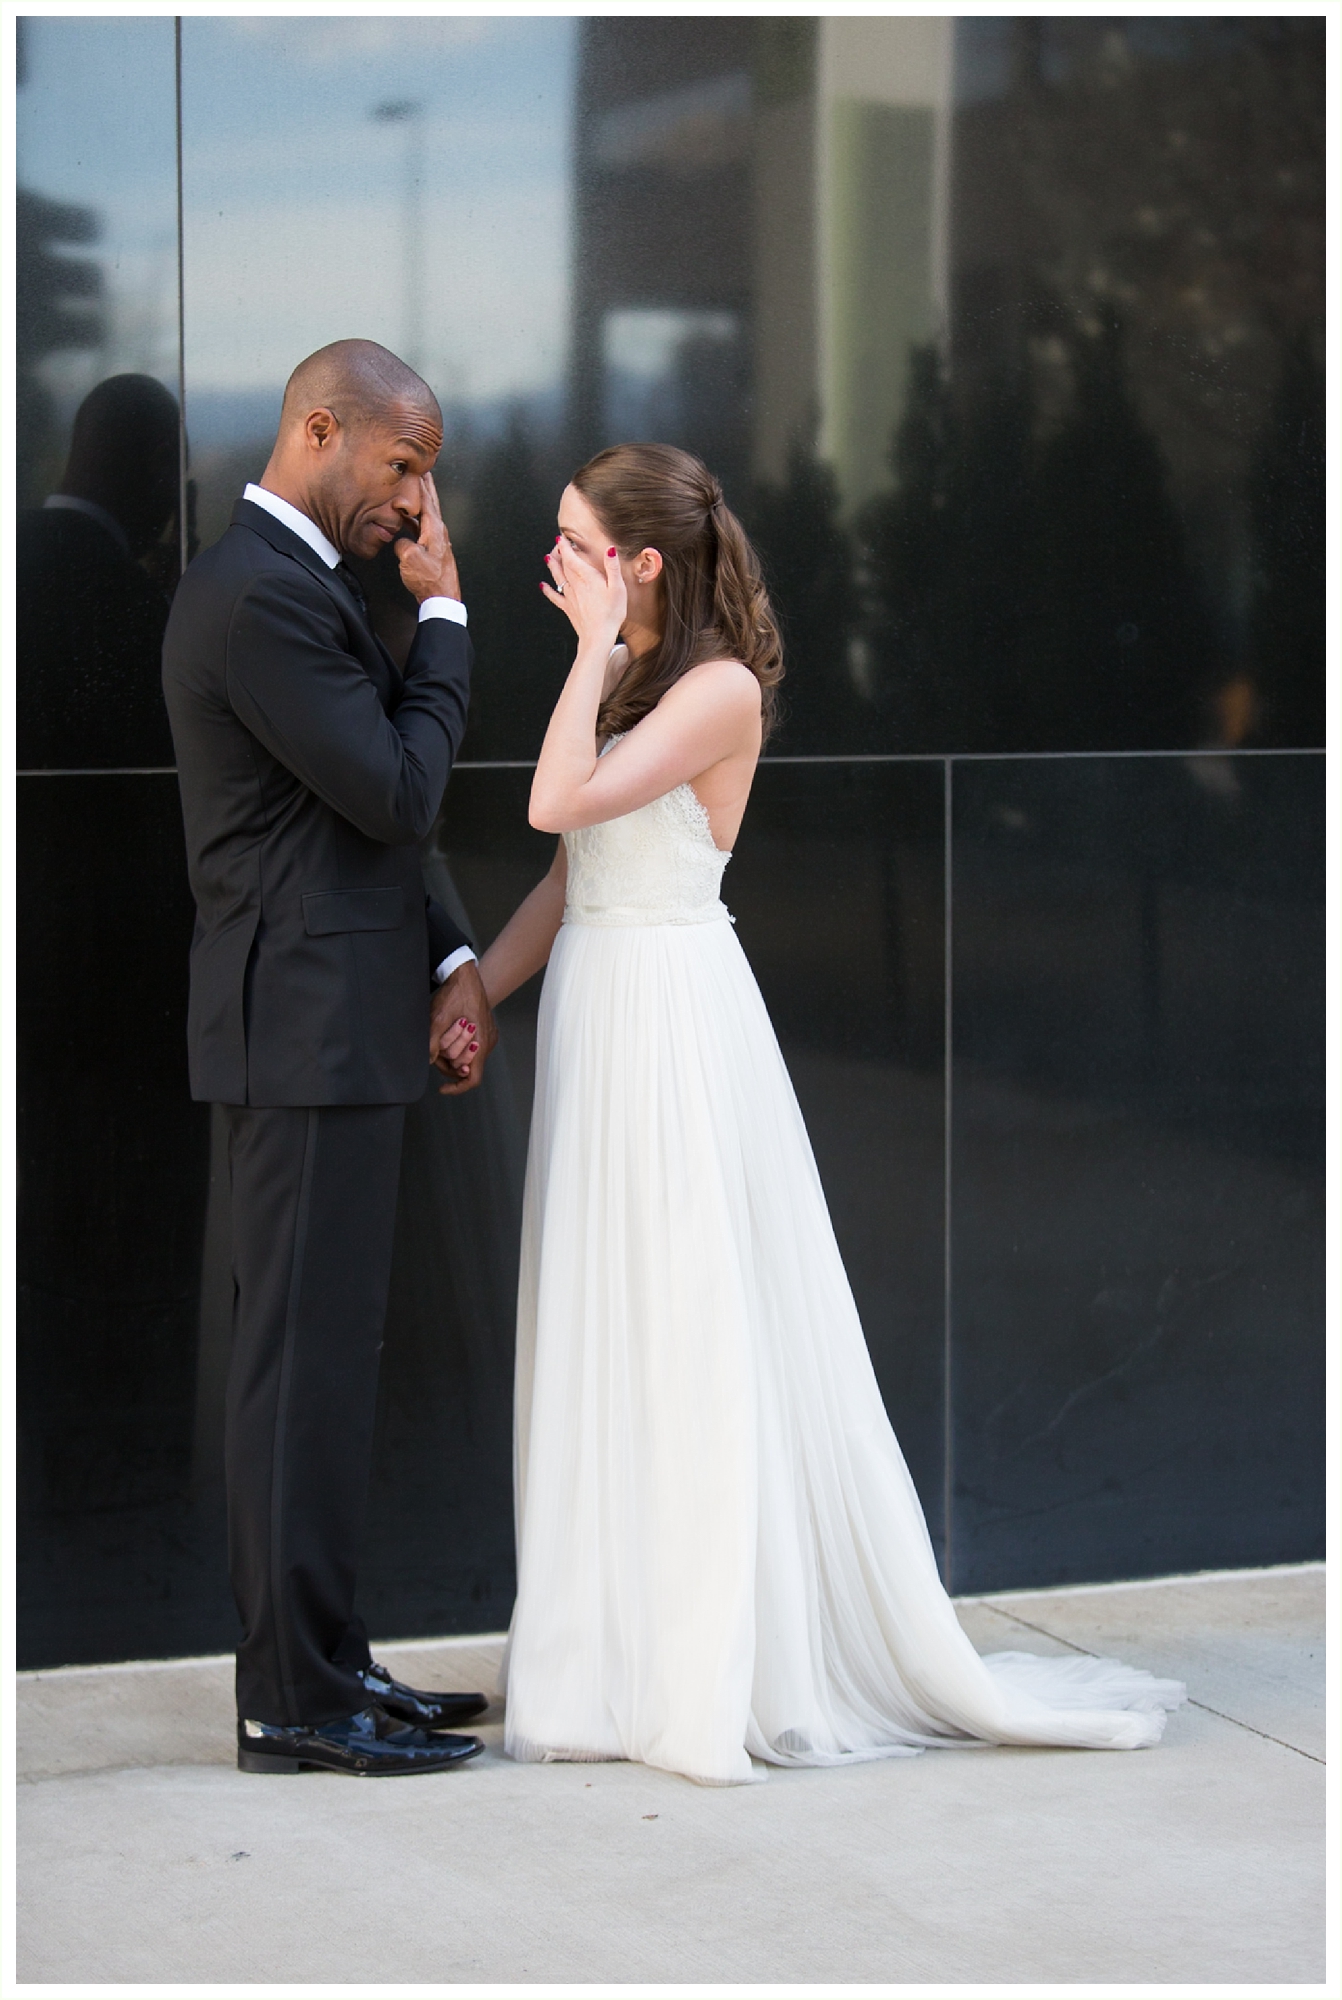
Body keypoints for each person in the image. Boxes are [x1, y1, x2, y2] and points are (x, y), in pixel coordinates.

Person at [458, 442, 1186, 1786]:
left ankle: (702, 1661)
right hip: (597, 1014)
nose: (552, 563)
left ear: (641, 564)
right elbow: (572, 870)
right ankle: (595, 1663)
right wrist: (479, 992)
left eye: (575, 542)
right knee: (601, 1319)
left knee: (687, 1325)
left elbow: (552, 798)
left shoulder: (714, 688)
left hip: (673, 1018)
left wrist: (583, 654)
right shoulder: (622, 678)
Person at [162, 340, 499, 1778]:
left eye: (424, 473)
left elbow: (363, 830)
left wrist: (440, 961)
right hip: (297, 1039)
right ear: (320, 429)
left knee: (323, 1371)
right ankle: (294, 1701)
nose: (416, 499)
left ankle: (327, 1662)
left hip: (334, 1029)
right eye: (403, 464)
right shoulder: (257, 599)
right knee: (297, 1374)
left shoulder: (295, 591)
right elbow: (398, 786)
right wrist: (449, 626)